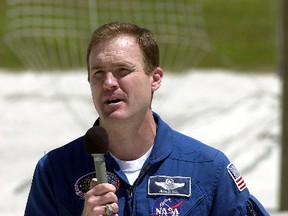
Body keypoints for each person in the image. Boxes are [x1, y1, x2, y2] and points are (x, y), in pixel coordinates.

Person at [24, 22, 269, 216]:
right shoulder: (55, 170)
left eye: (123, 71)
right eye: (98, 73)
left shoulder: (208, 169)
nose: (109, 83)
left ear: (155, 78)